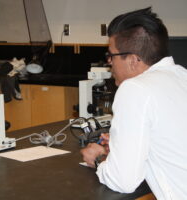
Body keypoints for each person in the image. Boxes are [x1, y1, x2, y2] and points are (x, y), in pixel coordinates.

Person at [80, 7, 187, 200]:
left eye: (111, 55)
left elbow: (123, 181)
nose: (109, 63)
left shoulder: (135, 88)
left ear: (133, 60)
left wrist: (98, 159)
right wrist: (120, 147)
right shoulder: (182, 75)